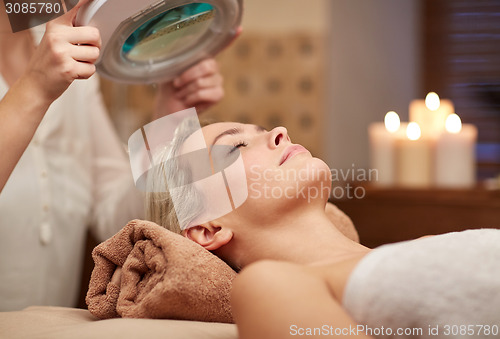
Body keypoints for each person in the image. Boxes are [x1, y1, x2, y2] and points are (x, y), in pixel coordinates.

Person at [146, 120, 500, 339]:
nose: (279, 131)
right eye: (235, 147)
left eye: (262, 131)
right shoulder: (266, 288)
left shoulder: (425, 245)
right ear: (208, 229)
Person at [0, 0, 224, 311]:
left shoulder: (67, 58)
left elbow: (119, 221)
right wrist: (36, 87)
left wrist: (170, 121)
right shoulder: (54, 63)